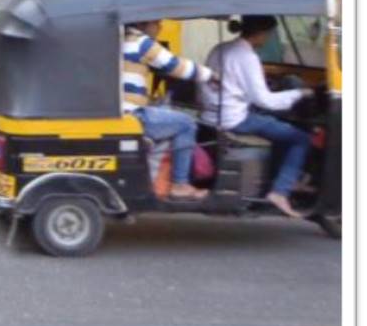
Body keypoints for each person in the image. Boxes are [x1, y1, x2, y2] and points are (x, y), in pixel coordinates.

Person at [198, 15, 313, 219]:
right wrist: (300, 94)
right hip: (235, 120)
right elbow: (265, 100)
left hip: (211, 114)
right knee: (300, 137)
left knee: (278, 128)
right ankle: (280, 191)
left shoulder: (220, 48)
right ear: (261, 34)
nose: (268, 39)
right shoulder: (248, 57)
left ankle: (282, 177)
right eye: (269, 35)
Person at [122, 19, 217, 202]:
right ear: (144, 23)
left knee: (166, 111)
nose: (160, 27)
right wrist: (210, 75)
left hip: (126, 111)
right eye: (156, 22)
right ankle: (180, 184)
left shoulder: (121, 39)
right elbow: (174, 66)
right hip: (134, 114)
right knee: (186, 123)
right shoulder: (140, 42)